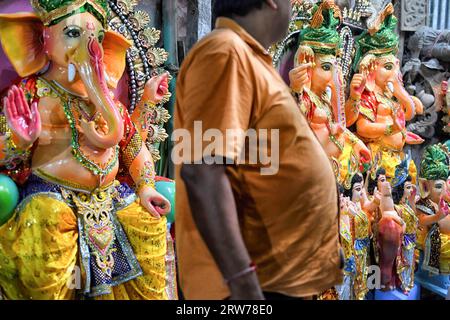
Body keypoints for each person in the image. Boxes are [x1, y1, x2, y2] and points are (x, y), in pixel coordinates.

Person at [174, 0, 343, 300]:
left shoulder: (250, 59)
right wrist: (244, 284)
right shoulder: (225, 51)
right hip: (246, 289)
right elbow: (203, 172)